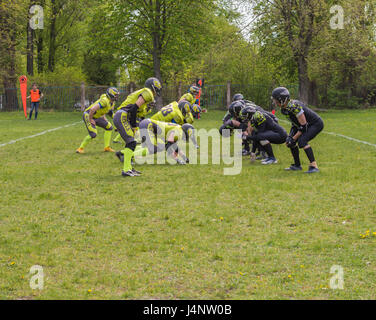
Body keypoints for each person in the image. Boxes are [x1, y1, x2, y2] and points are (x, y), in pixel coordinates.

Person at [113, 77, 162, 177]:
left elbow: (137, 113)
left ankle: (128, 168)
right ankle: (126, 170)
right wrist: (134, 126)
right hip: (123, 115)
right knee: (131, 142)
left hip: (122, 116)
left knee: (131, 143)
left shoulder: (144, 97)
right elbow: (133, 109)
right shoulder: (147, 92)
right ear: (153, 87)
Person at [271, 87, 324, 173]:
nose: (274, 102)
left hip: (315, 124)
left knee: (302, 141)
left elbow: (303, 126)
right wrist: (290, 136)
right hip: (305, 125)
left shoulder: (294, 106)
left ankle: (314, 166)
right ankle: (297, 165)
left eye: (276, 100)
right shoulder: (285, 109)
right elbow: (295, 124)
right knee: (290, 142)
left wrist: (294, 138)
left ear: (282, 99)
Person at [132, 119, 197, 163]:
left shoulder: (179, 129)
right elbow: (168, 147)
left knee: (157, 146)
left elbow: (174, 146)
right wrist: (177, 160)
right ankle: (130, 156)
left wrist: (184, 157)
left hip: (147, 124)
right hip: (149, 125)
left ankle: (126, 153)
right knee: (153, 148)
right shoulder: (179, 132)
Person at [76, 87, 119, 154]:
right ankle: (80, 148)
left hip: (96, 116)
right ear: (111, 94)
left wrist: (108, 118)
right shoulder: (105, 101)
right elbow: (92, 109)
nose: (117, 96)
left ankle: (107, 147)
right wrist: (90, 119)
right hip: (88, 115)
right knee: (93, 134)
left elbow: (108, 111)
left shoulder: (111, 102)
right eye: (115, 95)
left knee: (109, 127)